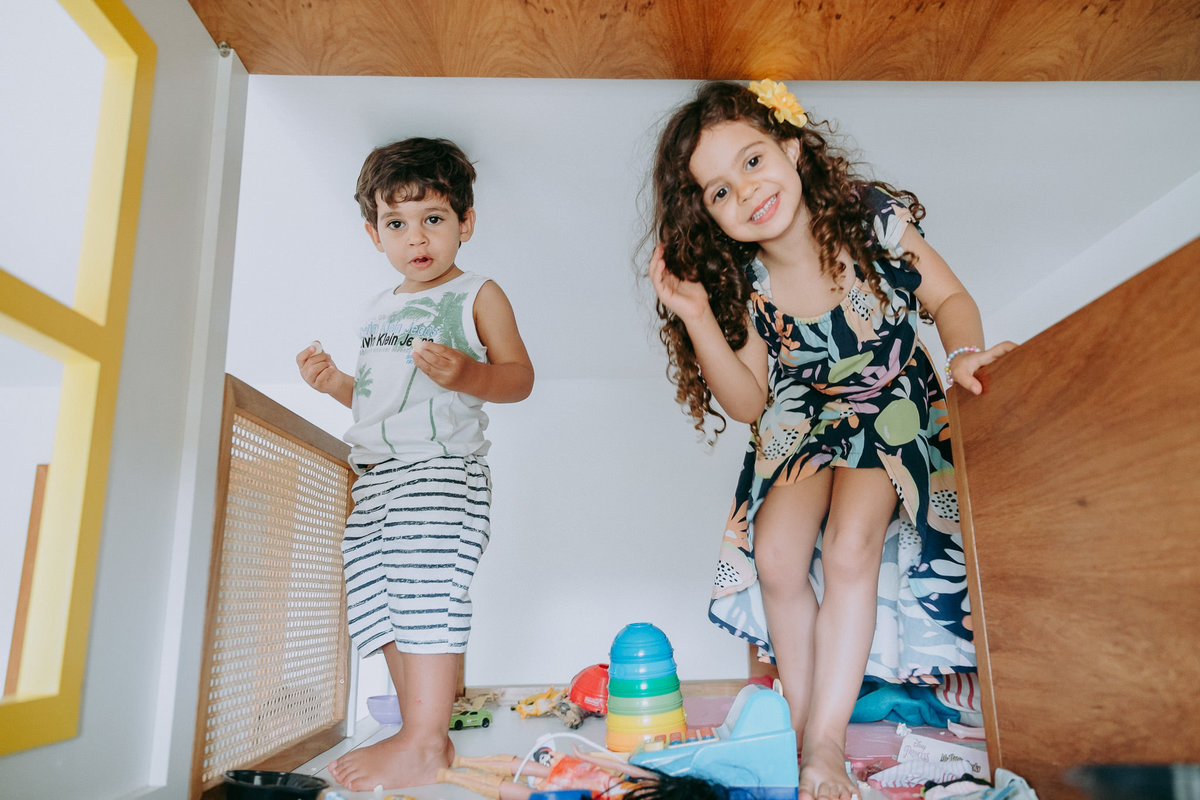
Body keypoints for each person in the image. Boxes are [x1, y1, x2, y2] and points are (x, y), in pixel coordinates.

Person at [646, 80, 1015, 800]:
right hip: (802, 412)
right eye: (718, 192)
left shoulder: (867, 218)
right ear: (709, 217)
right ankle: (795, 730)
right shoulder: (741, 277)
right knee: (778, 556)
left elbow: (949, 299)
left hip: (892, 402)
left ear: (790, 146)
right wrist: (694, 316)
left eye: (752, 162)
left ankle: (825, 743)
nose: (745, 193)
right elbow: (751, 399)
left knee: (850, 546)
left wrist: (964, 351)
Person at [296, 137, 534, 791]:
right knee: (379, 599)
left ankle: (423, 739)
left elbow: (518, 379)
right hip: (377, 478)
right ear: (374, 234)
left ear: (465, 223)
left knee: (427, 593)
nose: (416, 236)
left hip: (438, 472)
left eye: (433, 218)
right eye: (396, 223)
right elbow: (383, 400)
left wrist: (467, 371)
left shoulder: (476, 294)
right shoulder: (377, 310)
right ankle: (418, 730)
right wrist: (335, 384)